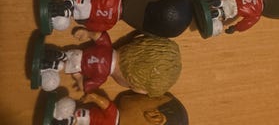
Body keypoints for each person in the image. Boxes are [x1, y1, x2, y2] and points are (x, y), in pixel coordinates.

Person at [38, 30, 181, 97]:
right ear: (135, 88)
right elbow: (85, 87)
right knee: (62, 66)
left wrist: (88, 33)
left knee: (65, 57)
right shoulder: (101, 76)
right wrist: (78, 77)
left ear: (137, 39)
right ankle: (49, 64)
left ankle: (54, 56)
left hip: (76, 55)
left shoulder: (106, 48)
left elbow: (98, 35)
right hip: (76, 66)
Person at [50, 93, 119, 125]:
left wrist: (94, 98)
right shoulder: (112, 116)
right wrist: (94, 98)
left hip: (83, 118)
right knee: (78, 114)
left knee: (78, 116)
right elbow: (108, 106)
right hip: (84, 115)